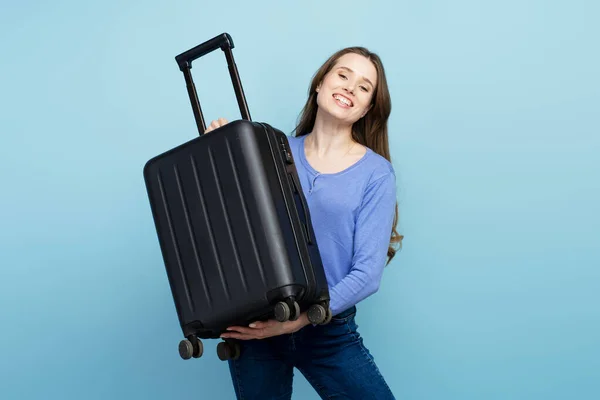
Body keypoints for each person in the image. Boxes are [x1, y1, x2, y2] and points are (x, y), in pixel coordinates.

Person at [204, 46, 403, 400]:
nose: (349, 88)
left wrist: (302, 319)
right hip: (259, 325)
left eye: (363, 87)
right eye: (343, 75)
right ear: (320, 83)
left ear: (369, 107)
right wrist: (217, 153)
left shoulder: (376, 174)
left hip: (328, 330)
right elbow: (236, 227)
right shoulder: (270, 152)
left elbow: (367, 274)